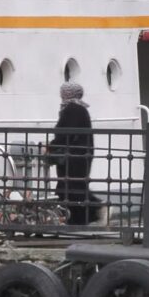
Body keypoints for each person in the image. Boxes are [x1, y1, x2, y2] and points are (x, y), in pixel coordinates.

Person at [48, 82, 103, 224]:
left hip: (73, 157)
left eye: (63, 92)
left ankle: (95, 209)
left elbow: (64, 134)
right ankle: (80, 218)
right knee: (75, 186)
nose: (61, 94)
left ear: (67, 94)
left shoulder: (71, 109)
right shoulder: (81, 109)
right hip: (82, 155)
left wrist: (51, 147)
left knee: (70, 187)